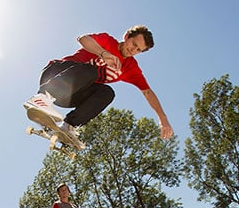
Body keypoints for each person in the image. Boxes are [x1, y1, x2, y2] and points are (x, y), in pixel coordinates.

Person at [24, 25, 174, 140]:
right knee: (91, 71)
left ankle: (68, 126)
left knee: (107, 93)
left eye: (138, 50)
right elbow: (83, 39)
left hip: (70, 96)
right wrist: (103, 53)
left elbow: (147, 92)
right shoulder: (108, 41)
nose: (133, 50)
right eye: (133, 43)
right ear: (127, 36)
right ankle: (42, 98)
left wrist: (163, 119)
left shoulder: (130, 68)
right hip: (55, 75)